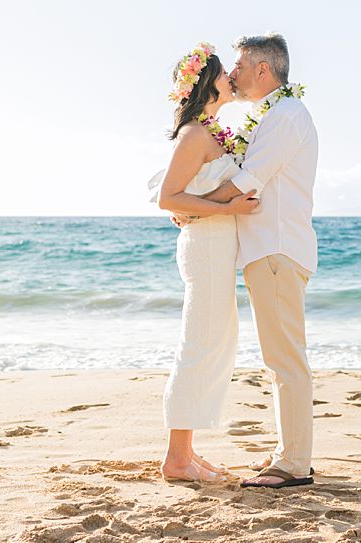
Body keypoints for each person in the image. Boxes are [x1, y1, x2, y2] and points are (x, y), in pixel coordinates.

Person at [189, 32, 319, 489]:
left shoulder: (285, 116)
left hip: (277, 250)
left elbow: (249, 181)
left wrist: (188, 204)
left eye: (241, 66)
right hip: (270, 251)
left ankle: (295, 464)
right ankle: (291, 451)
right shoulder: (275, 114)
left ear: (263, 70)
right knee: (279, 357)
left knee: (285, 359)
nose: (235, 74)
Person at [153, 42, 260, 483]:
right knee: (198, 348)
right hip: (205, 250)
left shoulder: (211, 130)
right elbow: (167, 198)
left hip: (216, 249)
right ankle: (177, 459)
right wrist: (228, 209)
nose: (230, 78)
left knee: (214, 345)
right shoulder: (194, 135)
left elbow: (189, 196)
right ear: (206, 84)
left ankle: (187, 453)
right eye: (222, 74)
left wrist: (208, 208)